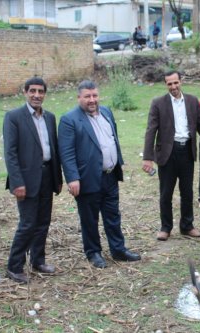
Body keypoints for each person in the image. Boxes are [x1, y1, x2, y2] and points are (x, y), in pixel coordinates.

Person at [58, 80, 140, 268]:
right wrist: (72, 178)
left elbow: (113, 139)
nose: (92, 100)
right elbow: (66, 152)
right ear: (79, 97)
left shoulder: (107, 112)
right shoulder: (69, 120)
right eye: (87, 96)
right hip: (87, 178)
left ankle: (118, 249)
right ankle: (93, 252)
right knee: (89, 218)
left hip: (110, 175)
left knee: (113, 215)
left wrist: (118, 161)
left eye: (95, 95)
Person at [142, 70, 200, 241]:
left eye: (176, 83)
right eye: (169, 84)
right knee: (166, 192)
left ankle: (187, 225)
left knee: (187, 191)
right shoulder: (158, 103)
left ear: (181, 82)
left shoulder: (192, 101)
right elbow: (150, 130)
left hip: (187, 152)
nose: (173, 87)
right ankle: (165, 227)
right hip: (167, 153)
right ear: (166, 84)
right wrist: (148, 157)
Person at [3, 77, 63, 283]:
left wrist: (58, 178)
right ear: (25, 92)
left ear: (45, 94)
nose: (37, 95)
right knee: (28, 223)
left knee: (43, 222)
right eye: (33, 91)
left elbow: (53, 149)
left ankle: (38, 261)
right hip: (26, 180)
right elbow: (10, 153)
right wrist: (17, 182)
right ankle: (14, 266)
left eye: (41, 91)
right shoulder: (14, 117)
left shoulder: (50, 117)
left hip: (47, 176)